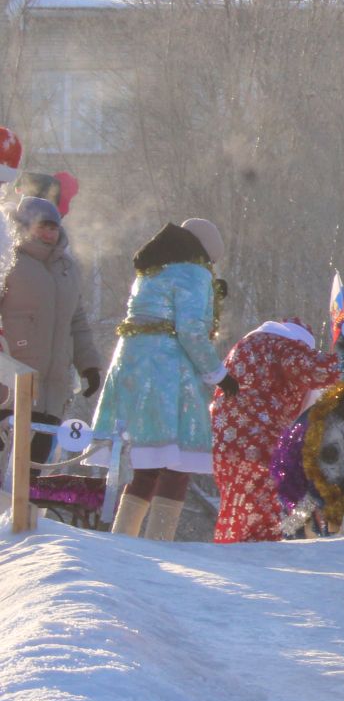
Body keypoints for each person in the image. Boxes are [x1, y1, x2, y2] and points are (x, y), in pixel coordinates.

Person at [93, 219, 228, 540]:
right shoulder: (194, 274)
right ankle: (159, 542)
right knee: (177, 461)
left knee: (147, 461)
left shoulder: (152, 272)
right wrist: (220, 375)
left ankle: (123, 536)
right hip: (168, 373)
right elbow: (192, 331)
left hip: (132, 366)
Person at [211, 319, 339, 543]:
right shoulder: (286, 346)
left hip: (224, 438)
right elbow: (320, 370)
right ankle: (259, 556)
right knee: (264, 503)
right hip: (259, 439)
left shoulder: (245, 345)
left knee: (237, 503)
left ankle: (233, 548)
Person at [0, 197, 102, 461]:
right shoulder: (9, 259)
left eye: (53, 227)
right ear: (24, 226)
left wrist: (88, 365)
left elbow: (76, 320)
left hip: (53, 388)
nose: (49, 233)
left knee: (33, 469)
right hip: (11, 384)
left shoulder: (67, 268)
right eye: (42, 226)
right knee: (5, 468)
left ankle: (28, 504)